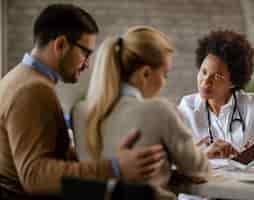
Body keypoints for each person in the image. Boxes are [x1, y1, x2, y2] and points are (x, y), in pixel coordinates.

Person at [0, 4, 166, 199]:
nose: (87, 64)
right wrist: (115, 167)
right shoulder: (33, 90)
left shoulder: (17, 77)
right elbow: (35, 176)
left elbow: (47, 155)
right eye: (86, 53)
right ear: (60, 44)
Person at [85, 26, 210, 200]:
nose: (164, 82)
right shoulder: (158, 110)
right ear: (145, 73)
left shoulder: (85, 114)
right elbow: (199, 169)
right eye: (165, 74)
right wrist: (197, 152)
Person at [178, 30, 254, 159]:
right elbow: (175, 160)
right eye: (204, 72)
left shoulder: (252, 105)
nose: (206, 82)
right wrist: (203, 155)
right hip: (209, 179)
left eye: (217, 76)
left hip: (247, 178)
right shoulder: (187, 108)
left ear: (233, 82)